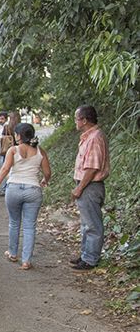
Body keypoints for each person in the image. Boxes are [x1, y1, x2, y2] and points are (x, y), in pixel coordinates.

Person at [0, 123, 51, 270]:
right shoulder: (40, 151)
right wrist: (45, 180)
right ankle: (26, 261)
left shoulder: (13, 150)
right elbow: (48, 172)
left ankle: (12, 253)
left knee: (14, 223)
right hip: (33, 190)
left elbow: (5, 169)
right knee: (30, 226)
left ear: (19, 135)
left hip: (14, 189)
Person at [69, 105, 110, 270]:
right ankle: (86, 255)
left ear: (84, 120)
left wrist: (79, 188)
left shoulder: (95, 138)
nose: (75, 122)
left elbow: (92, 168)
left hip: (90, 185)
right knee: (86, 223)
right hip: (87, 184)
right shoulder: (89, 136)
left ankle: (90, 259)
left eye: (76, 118)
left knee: (92, 224)